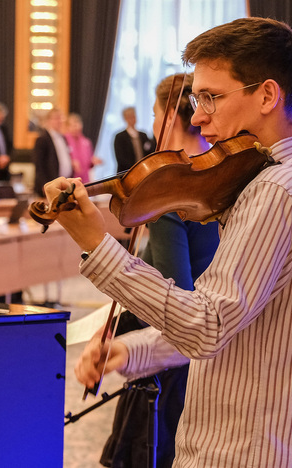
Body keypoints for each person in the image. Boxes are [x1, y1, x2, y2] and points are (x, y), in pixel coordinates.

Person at [57, 17, 292, 466]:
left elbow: (207, 327)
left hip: (249, 450)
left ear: (268, 95)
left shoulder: (276, 191)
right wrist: (133, 349)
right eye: (196, 97)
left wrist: (98, 244)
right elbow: (233, 321)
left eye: (212, 96)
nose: (197, 115)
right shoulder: (288, 181)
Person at [92, 73, 220, 468]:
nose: (152, 124)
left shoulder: (169, 191)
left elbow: (174, 291)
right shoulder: (223, 174)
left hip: (172, 357)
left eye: (154, 114)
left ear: (171, 117)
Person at [32, 107, 72, 197]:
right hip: (50, 185)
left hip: (63, 185)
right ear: (48, 120)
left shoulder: (63, 138)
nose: (60, 121)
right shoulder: (42, 139)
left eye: (61, 118)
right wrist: (44, 185)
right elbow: (38, 164)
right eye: (56, 118)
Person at [113, 107, 154, 172]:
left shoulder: (143, 135)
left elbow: (149, 152)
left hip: (143, 171)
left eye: (133, 116)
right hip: (126, 173)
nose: (132, 119)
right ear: (125, 118)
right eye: (129, 117)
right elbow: (121, 159)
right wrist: (135, 168)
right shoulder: (119, 137)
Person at [64, 113, 100, 183]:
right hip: (69, 179)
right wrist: (71, 162)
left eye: (78, 124)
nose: (76, 127)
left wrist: (93, 161)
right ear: (67, 127)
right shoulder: (64, 140)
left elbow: (89, 161)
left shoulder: (86, 142)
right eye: (73, 125)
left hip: (84, 179)